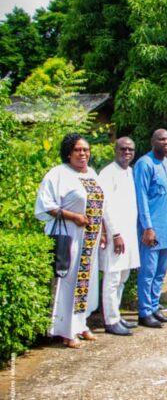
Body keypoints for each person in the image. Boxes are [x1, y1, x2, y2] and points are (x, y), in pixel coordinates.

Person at [35, 134, 112, 347]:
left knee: (85, 283)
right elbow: (46, 205)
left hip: (89, 240)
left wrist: (103, 231)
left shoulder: (92, 174)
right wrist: (73, 216)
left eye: (86, 150)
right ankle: (66, 331)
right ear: (68, 153)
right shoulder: (58, 174)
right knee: (68, 282)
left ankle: (80, 324)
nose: (83, 153)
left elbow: (101, 207)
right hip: (70, 237)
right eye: (78, 150)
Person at [134, 129, 167, 328]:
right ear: (153, 141)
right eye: (162, 139)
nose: (166, 142)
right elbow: (141, 197)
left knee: (160, 272)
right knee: (148, 272)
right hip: (151, 229)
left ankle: (154, 307)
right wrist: (148, 227)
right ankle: (144, 312)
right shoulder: (145, 163)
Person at [98, 137, 140, 336]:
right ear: (115, 150)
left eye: (130, 149)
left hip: (129, 234)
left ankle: (117, 314)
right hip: (116, 235)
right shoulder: (108, 173)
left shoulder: (130, 172)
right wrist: (115, 233)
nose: (127, 152)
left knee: (123, 277)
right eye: (123, 149)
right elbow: (105, 207)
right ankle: (110, 320)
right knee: (113, 277)